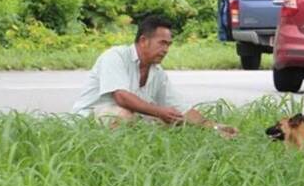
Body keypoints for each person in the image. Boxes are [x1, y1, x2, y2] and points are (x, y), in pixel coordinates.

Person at [72, 15, 238, 137]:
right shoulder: (115, 56)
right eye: (162, 43)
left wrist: (215, 127)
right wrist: (159, 112)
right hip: (87, 121)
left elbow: (181, 110)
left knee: (171, 123)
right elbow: (121, 97)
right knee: (124, 115)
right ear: (143, 41)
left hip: (127, 119)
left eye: (169, 45)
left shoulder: (157, 73)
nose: (166, 50)